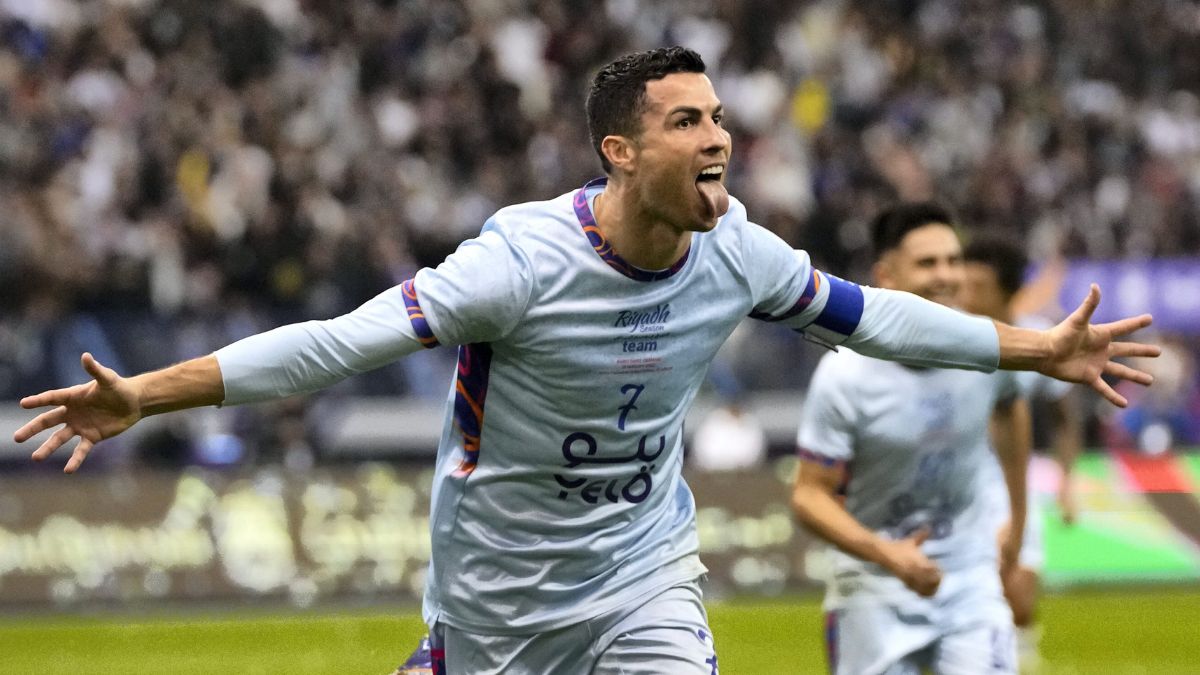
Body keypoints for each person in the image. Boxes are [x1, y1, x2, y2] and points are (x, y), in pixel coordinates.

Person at [14, 48, 1157, 675]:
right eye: (686, 123)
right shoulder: (516, 265)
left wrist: (1039, 348)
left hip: (644, 577)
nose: (718, 137)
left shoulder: (739, 249)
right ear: (620, 150)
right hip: (497, 596)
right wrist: (146, 395)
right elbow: (334, 345)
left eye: (718, 117)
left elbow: (880, 319)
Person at [791, 202, 1042, 674]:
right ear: (886, 276)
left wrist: (1018, 520)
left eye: (953, 261)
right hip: (872, 582)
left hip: (969, 575)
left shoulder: (986, 347)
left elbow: (1011, 406)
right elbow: (809, 496)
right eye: (928, 263)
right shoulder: (845, 374)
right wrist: (889, 555)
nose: (945, 276)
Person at [961, 234, 1084, 672]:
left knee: (1019, 596)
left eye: (978, 286)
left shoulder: (1038, 342)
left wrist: (1067, 481)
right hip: (955, 482)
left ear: (1008, 291)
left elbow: (1064, 418)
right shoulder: (947, 335)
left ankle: (1017, 657)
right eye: (964, 283)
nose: (966, 294)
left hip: (1011, 481)